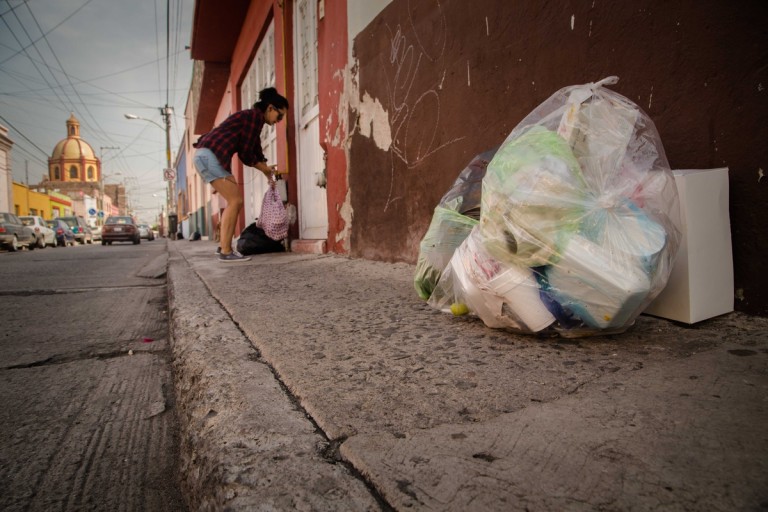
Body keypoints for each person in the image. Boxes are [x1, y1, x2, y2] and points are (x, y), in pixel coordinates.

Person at [192, 87, 289, 262]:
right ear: (270, 108)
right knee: (235, 201)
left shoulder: (253, 119)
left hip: (205, 156)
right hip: (210, 156)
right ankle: (226, 251)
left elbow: (254, 147)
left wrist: (265, 166)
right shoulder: (253, 117)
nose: (279, 121)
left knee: (233, 201)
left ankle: (223, 247)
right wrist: (264, 169)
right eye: (279, 116)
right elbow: (246, 153)